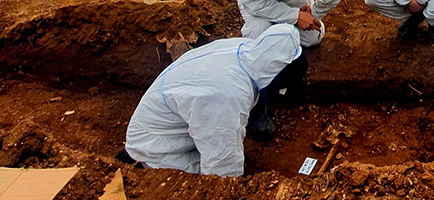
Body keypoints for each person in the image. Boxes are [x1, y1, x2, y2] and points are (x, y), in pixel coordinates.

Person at [125, 24, 302, 178]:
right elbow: (222, 168)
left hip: (174, 114)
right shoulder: (226, 95)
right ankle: (139, 163)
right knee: (196, 179)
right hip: (156, 145)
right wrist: (231, 185)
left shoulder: (247, 48)